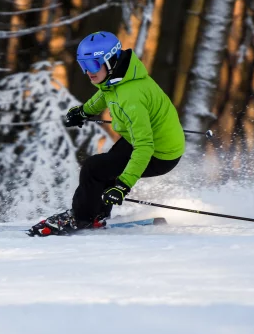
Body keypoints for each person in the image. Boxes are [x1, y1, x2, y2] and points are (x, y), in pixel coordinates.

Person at [29, 31, 185, 236]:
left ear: (110, 61)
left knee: (93, 169)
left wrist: (123, 186)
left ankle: (81, 218)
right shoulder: (120, 77)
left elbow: (144, 147)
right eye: (83, 66)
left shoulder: (130, 97)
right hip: (147, 141)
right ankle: (96, 215)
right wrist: (84, 112)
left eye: (93, 65)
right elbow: (105, 94)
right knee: (105, 167)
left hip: (160, 153)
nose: (88, 72)